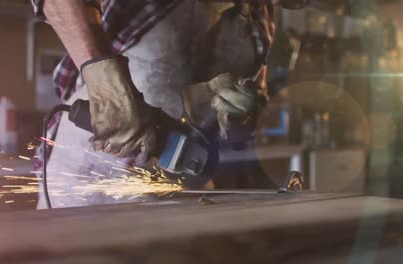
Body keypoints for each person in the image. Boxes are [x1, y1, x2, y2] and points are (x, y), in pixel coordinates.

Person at [31, 0, 309, 208]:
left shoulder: (260, 18)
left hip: (181, 190)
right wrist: (100, 75)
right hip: (88, 178)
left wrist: (242, 118)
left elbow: (249, 118)